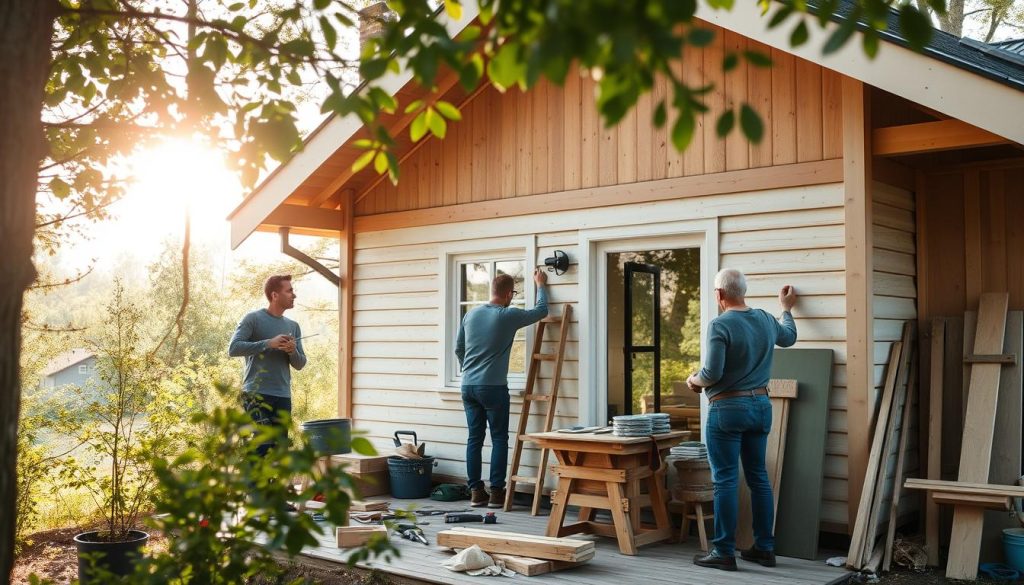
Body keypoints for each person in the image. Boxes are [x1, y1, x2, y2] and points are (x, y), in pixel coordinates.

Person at [687, 268, 797, 572]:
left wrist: (694, 381)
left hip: (728, 409)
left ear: (719, 295)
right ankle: (764, 548)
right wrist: (786, 309)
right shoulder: (764, 318)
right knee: (758, 477)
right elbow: (789, 338)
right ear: (742, 292)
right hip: (761, 405)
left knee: (725, 480)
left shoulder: (720, 325)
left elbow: (712, 374)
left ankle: (723, 551)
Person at [456, 269, 549, 508]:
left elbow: (459, 349)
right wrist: (540, 284)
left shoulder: (471, 315)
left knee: (474, 439)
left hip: (468, 386)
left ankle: (476, 491)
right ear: (509, 294)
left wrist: (468, 370)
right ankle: (496, 493)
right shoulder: (507, 315)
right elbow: (541, 311)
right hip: (493, 387)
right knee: (498, 438)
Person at [229, 274, 307, 457]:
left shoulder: (293, 326)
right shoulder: (253, 319)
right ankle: (253, 486)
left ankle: (276, 486)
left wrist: (291, 351)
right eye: (289, 291)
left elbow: (300, 363)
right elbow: (233, 348)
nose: (293, 295)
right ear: (275, 295)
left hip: (282, 396)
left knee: (279, 452)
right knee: (259, 449)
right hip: (256, 395)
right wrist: (268, 343)